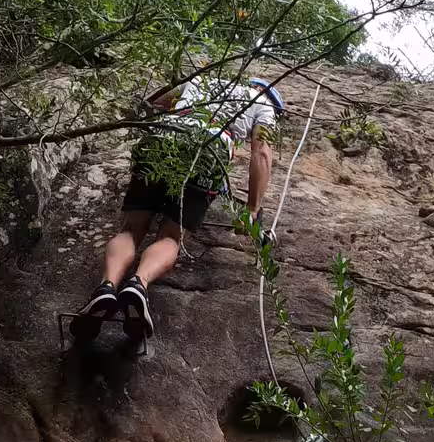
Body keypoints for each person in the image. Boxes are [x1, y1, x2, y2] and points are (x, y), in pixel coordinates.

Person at [71, 71, 284, 345]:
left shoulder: (207, 79)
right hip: (204, 152)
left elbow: (157, 100)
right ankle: (139, 284)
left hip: (162, 137)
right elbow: (262, 152)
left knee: (132, 227)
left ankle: (106, 287)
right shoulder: (264, 104)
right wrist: (253, 210)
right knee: (172, 236)